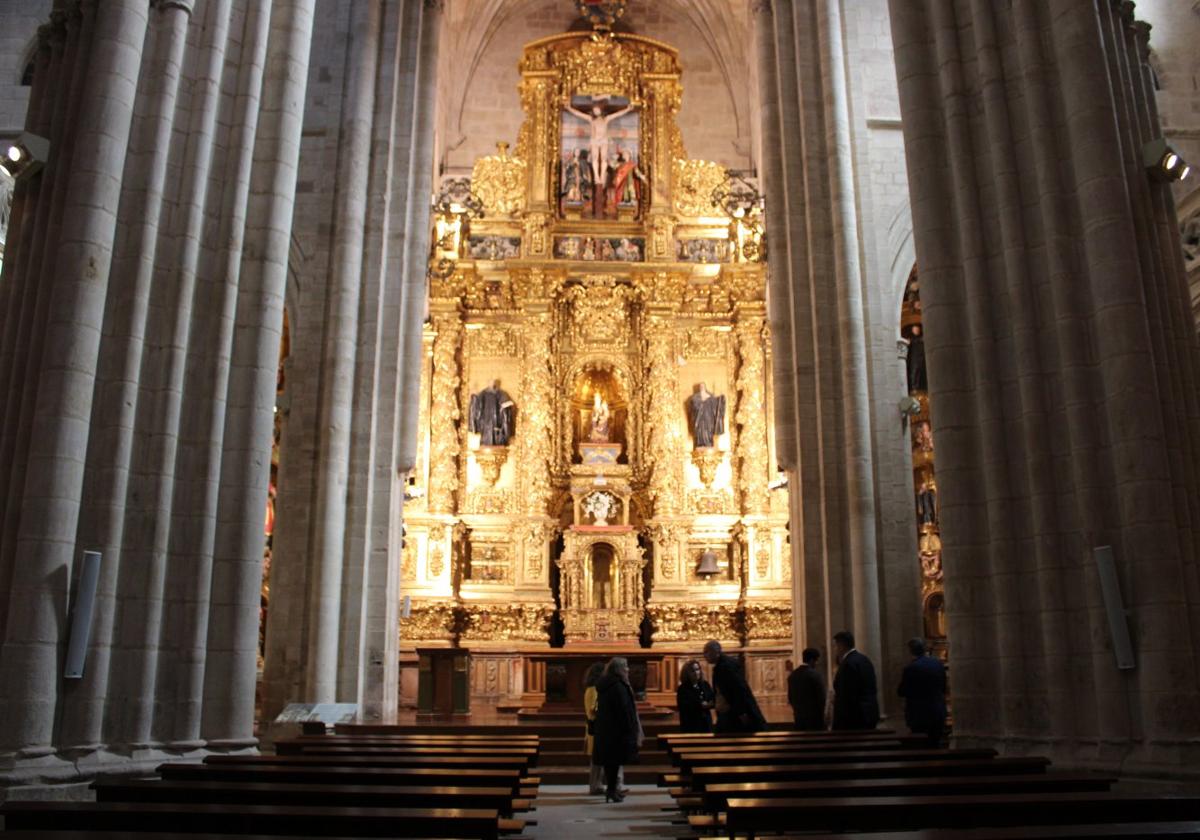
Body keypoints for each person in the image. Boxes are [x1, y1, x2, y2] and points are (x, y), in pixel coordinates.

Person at [593, 657, 641, 802]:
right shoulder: (618, 685)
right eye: (625, 667)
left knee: (611, 762)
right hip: (617, 730)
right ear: (618, 669)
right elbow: (624, 709)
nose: (628, 669)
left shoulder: (607, 684)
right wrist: (630, 728)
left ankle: (612, 790)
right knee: (613, 761)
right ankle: (612, 791)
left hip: (608, 729)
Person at [703, 640, 766, 734]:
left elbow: (738, 690)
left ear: (716, 652)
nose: (705, 656)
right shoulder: (722, 666)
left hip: (732, 714)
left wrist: (742, 712)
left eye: (706, 652)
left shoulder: (726, 667)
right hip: (729, 712)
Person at [898, 637, 947, 746]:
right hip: (937, 711)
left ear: (911, 651)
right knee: (935, 743)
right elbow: (943, 687)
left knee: (921, 746)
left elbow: (902, 691)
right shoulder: (938, 664)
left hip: (919, 714)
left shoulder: (911, 668)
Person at [831, 630, 880, 730]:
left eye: (835, 646)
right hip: (868, 713)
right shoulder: (864, 659)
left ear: (841, 645)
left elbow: (847, 694)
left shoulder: (848, 664)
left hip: (854, 718)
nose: (834, 649)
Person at [583, 661, 607, 794]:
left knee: (598, 759)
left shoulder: (591, 688)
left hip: (595, 726)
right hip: (595, 727)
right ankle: (594, 785)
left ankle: (598, 784)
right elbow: (593, 709)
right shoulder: (593, 689)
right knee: (596, 760)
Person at [787, 647, 826, 731]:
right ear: (812, 660)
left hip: (798, 718)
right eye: (817, 661)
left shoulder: (792, 675)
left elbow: (790, 698)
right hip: (815, 721)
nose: (817, 663)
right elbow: (822, 698)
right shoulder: (815, 675)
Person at [676, 659, 715, 733]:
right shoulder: (683, 689)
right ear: (686, 673)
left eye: (697, 669)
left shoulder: (705, 685)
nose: (696, 673)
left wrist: (709, 704)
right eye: (692, 671)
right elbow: (683, 706)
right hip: (691, 725)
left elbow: (712, 699)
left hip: (706, 724)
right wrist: (700, 705)